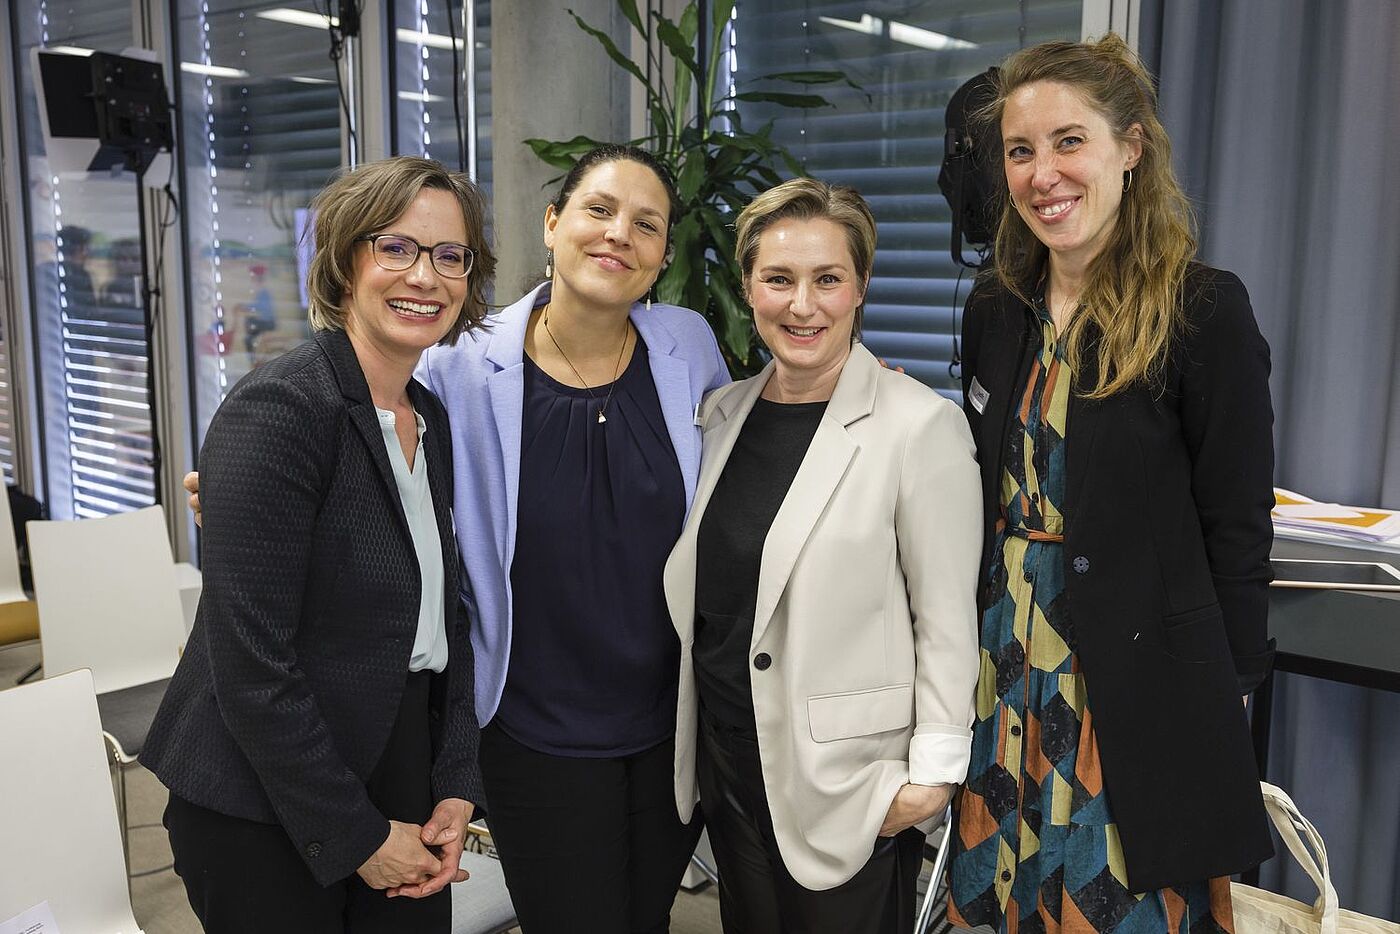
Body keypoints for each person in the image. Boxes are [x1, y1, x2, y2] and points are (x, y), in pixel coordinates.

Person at [186, 144, 729, 933]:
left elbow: (743, 453)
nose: (619, 235)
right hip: (525, 722)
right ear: (553, 223)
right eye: (599, 210)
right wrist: (238, 502)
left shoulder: (689, 347)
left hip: (658, 721)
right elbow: (270, 619)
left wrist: (836, 393)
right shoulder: (456, 368)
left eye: (647, 224)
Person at [946, 35, 1275, 931]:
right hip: (1003, 659)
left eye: (1068, 142)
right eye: (1020, 151)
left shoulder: (1202, 311)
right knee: (1003, 894)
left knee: (1113, 900)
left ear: (1130, 147)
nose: (1042, 173)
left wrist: (1224, 689)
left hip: (1133, 678)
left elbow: (1238, 523)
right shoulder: (995, 307)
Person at [146, 156, 492, 933]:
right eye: (395, 248)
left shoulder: (424, 418)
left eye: (450, 255)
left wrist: (453, 777)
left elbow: (448, 615)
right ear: (343, 263)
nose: (426, 276)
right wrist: (358, 834)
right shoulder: (282, 406)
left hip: (394, 751)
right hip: (262, 795)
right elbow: (251, 663)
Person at [663, 177, 983, 933]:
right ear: (749, 288)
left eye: (827, 279)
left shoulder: (917, 427)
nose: (802, 304)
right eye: (779, 279)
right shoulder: (722, 414)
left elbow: (945, 617)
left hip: (849, 784)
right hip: (731, 767)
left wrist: (931, 780)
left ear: (860, 287)